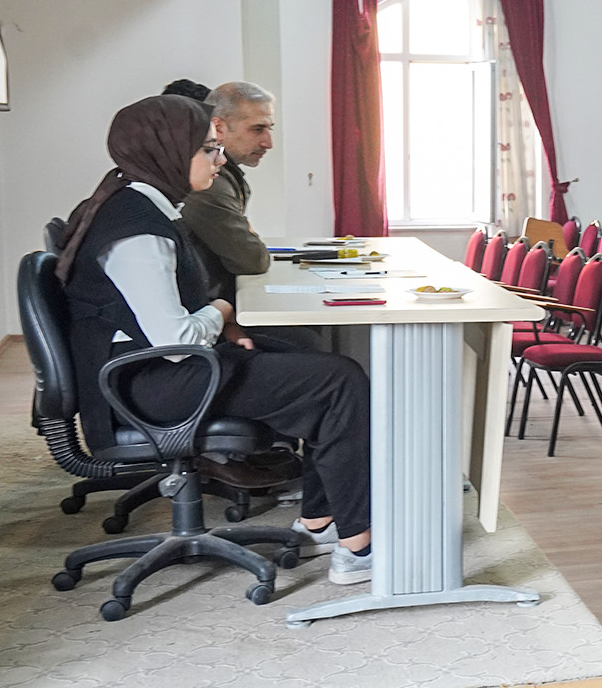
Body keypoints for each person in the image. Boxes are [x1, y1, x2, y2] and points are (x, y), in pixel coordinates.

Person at [56, 96, 374, 584]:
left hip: (144, 370)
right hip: (150, 382)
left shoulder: (137, 205)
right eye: (207, 148)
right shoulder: (139, 231)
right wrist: (223, 310)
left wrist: (224, 324)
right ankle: (358, 547)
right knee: (340, 381)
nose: (219, 158)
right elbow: (177, 338)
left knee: (309, 356)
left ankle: (321, 521)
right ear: (167, 150)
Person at [175, 80, 274, 302]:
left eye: (270, 129)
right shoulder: (206, 183)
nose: (268, 143)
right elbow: (251, 259)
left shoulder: (225, 175)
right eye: (257, 129)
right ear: (218, 128)